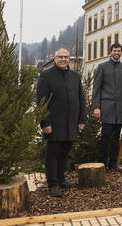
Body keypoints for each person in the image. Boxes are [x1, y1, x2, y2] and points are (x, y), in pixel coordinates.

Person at [36, 48, 87, 197]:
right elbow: (41, 101)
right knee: (53, 154)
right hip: (54, 123)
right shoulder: (46, 76)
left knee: (65, 153)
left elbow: (81, 99)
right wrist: (45, 123)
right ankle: (53, 184)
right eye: (60, 57)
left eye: (66, 57)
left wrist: (82, 119)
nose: (63, 59)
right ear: (55, 58)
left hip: (71, 123)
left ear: (69, 59)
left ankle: (61, 178)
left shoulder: (75, 76)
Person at [92, 43, 122, 172]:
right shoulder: (102, 67)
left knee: (116, 138)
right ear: (111, 52)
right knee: (105, 137)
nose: (117, 52)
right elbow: (96, 89)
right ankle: (102, 163)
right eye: (115, 50)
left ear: (121, 52)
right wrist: (96, 107)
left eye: (119, 51)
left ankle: (113, 164)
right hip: (107, 109)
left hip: (120, 110)